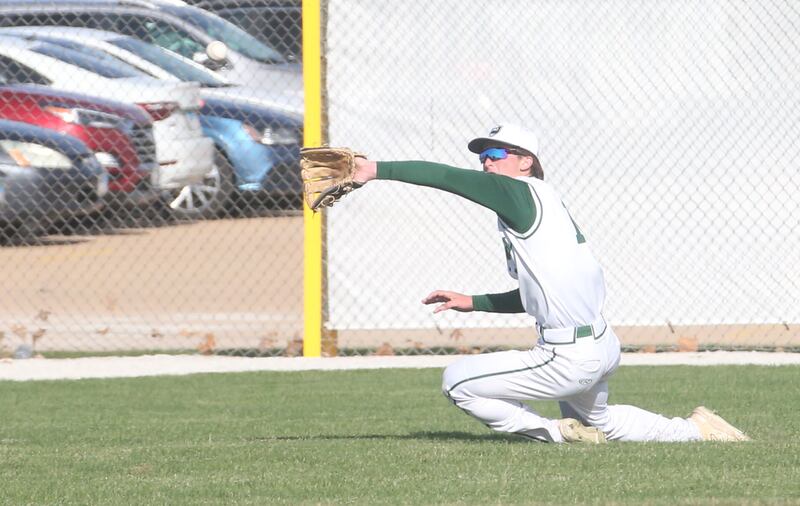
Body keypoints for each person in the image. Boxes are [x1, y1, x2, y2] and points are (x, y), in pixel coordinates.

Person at [350, 122, 750, 443]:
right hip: (600, 344)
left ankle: (555, 434)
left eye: (495, 155)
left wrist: (375, 170)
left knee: (457, 382)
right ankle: (696, 431)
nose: (486, 163)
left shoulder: (518, 194)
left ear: (526, 162)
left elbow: (446, 177)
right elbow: (539, 295)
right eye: (483, 157)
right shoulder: (544, 202)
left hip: (567, 356)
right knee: (602, 423)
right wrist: (475, 301)